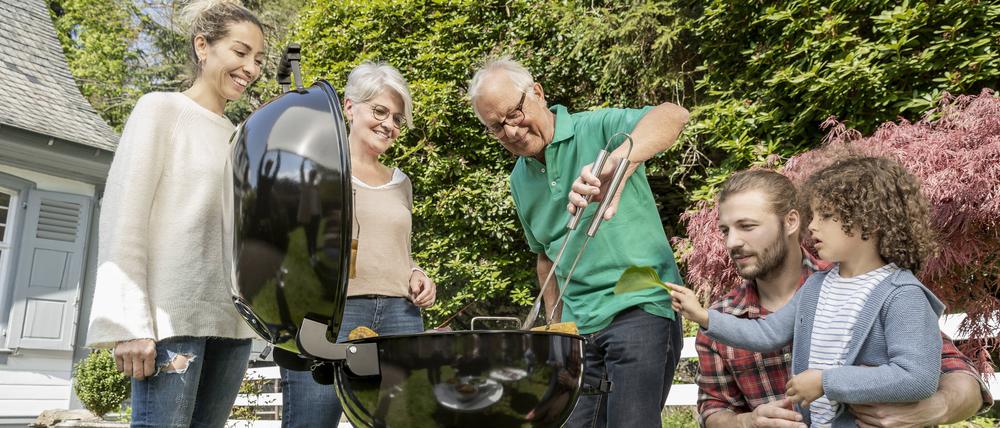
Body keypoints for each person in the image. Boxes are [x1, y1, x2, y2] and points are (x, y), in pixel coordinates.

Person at [670, 165, 991, 427]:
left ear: (791, 222)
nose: (731, 243)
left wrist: (934, 409)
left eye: (747, 226)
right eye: (725, 230)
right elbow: (713, 409)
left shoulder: (893, 293)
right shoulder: (736, 311)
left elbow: (953, 376)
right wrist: (749, 422)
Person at [468, 57, 689, 427]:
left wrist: (618, 163)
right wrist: (556, 332)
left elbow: (673, 115)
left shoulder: (597, 128)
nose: (511, 131)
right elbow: (545, 257)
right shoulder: (518, 180)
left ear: (536, 93)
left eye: (514, 114)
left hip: (640, 308)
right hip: (578, 333)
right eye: (496, 127)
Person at [85, 1, 266, 426]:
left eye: (258, 59)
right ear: (203, 46)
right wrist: (128, 323)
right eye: (240, 53)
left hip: (232, 324)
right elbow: (123, 215)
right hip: (170, 324)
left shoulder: (243, 138)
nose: (251, 68)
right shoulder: (160, 110)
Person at [277, 61, 437, 428]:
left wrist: (416, 274)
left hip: (400, 316)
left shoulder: (401, 182)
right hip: (332, 315)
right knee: (310, 423)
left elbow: (398, 251)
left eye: (397, 118)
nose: (389, 124)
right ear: (349, 107)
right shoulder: (313, 168)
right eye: (380, 111)